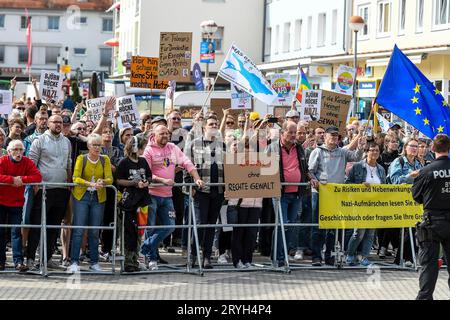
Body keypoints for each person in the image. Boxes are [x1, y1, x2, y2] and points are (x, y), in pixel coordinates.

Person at [141, 125, 204, 271]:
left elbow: (187, 162)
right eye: (162, 133)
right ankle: (151, 259)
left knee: (170, 226)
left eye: (167, 133)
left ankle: (143, 249)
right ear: (154, 135)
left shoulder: (172, 147)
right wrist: (162, 180)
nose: (165, 136)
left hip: (167, 195)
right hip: (151, 195)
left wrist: (197, 178)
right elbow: (146, 174)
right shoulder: (148, 150)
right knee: (150, 229)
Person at [308, 125, 365, 266]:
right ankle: (316, 256)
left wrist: (361, 146)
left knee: (333, 227)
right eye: (331, 135)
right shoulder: (317, 152)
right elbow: (309, 170)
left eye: (336, 136)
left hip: (336, 194)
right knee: (318, 226)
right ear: (325, 137)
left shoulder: (342, 152)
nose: (334, 138)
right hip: (320, 193)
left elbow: (356, 157)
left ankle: (329, 256)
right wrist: (313, 179)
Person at [27, 115, 72, 270]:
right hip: (44, 189)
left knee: (54, 227)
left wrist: (69, 184)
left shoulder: (67, 142)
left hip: (61, 189)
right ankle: (31, 259)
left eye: (61, 122)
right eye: (55, 122)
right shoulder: (39, 141)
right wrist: (35, 185)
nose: (59, 124)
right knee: (38, 225)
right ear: (48, 123)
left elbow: (68, 164)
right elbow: (31, 163)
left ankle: (47, 258)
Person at [412, 134, 450, 300]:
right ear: (449, 149)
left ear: (432, 149)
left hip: (431, 222)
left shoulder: (425, 171)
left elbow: (416, 196)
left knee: (428, 265)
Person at [69, 134, 113, 273]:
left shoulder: (104, 159)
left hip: (99, 198)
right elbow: (75, 178)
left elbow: (110, 178)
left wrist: (103, 182)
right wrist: (90, 183)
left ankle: (94, 262)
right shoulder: (81, 159)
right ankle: (74, 261)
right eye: (94, 145)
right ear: (88, 146)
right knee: (78, 230)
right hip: (82, 196)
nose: (97, 148)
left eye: (99, 145)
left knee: (95, 231)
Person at [185, 116, 224, 269]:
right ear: (204, 127)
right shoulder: (194, 144)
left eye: (216, 123)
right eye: (211, 124)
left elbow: (229, 167)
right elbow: (187, 166)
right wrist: (191, 187)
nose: (214, 126)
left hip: (218, 190)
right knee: (200, 224)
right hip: (201, 191)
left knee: (211, 225)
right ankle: (194, 255)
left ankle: (207, 256)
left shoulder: (223, 145)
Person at [0, 140, 42, 272]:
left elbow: (38, 176)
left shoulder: (27, 161)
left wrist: (22, 179)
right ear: (9, 151)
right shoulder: (3, 160)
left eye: (20, 150)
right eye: (15, 150)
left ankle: (18, 262)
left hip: (17, 203)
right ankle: (1, 262)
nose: (18, 153)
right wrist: (12, 180)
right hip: (1, 202)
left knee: (16, 232)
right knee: (1, 232)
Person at [345, 142, 386, 266]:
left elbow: (384, 186)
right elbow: (347, 184)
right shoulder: (357, 166)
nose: (374, 153)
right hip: (360, 203)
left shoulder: (381, 169)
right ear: (366, 152)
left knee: (370, 233)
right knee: (359, 232)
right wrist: (359, 186)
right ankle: (350, 254)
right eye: (372, 150)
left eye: (377, 150)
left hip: (375, 204)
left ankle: (364, 257)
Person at [116, 135, 152, 272]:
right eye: (142, 147)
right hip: (128, 202)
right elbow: (119, 180)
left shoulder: (143, 161)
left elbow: (149, 176)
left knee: (139, 232)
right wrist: (134, 183)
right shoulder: (123, 162)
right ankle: (127, 261)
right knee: (128, 232)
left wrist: (146, 182)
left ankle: (135, 260)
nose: (144, 149)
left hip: (143, 202)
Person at [387, 137, 423, 266]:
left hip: (414, 201)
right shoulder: (399, 161)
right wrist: (409, 176)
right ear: (405, 148)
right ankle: (403, 257)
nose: (414, 149)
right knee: (405, 230)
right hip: (399, 201)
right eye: (412, 146)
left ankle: (407, 257)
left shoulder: (418, 164)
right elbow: (394, 180)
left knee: (413, 229)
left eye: (416, 146)